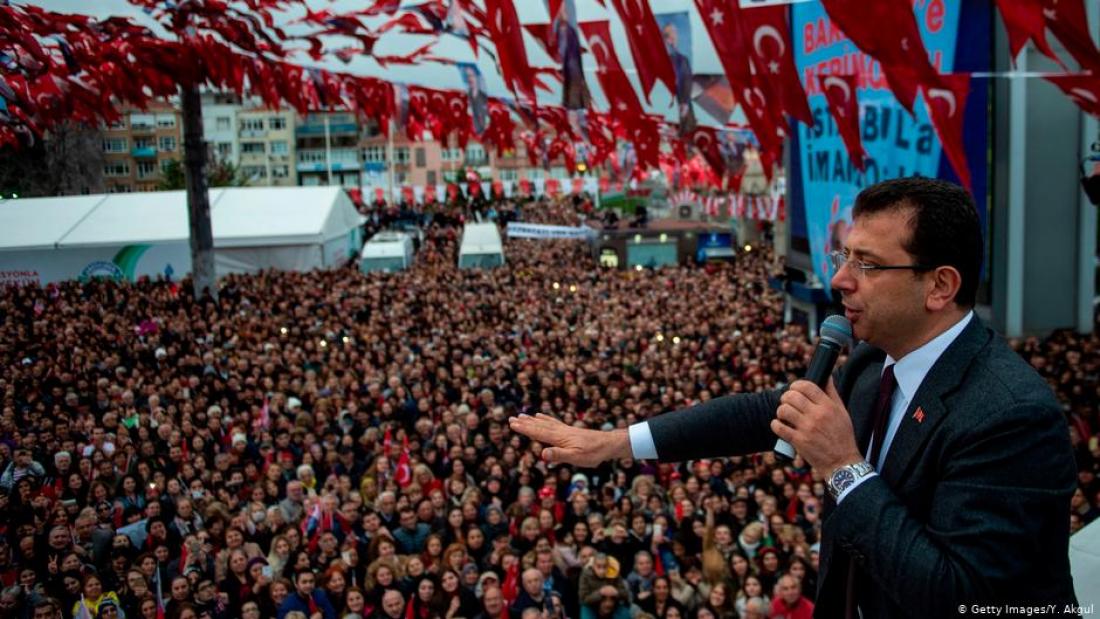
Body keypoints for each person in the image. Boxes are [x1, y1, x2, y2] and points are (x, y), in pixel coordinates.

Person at [510, 177, 1078, 617]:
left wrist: (844, 467)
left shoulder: (1011, 415)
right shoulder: (872, 361)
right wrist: (612, 444)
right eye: (844, 257)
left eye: (867, 264)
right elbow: (764, 414)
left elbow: (961, 597)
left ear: (940, 286)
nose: (841, 280)